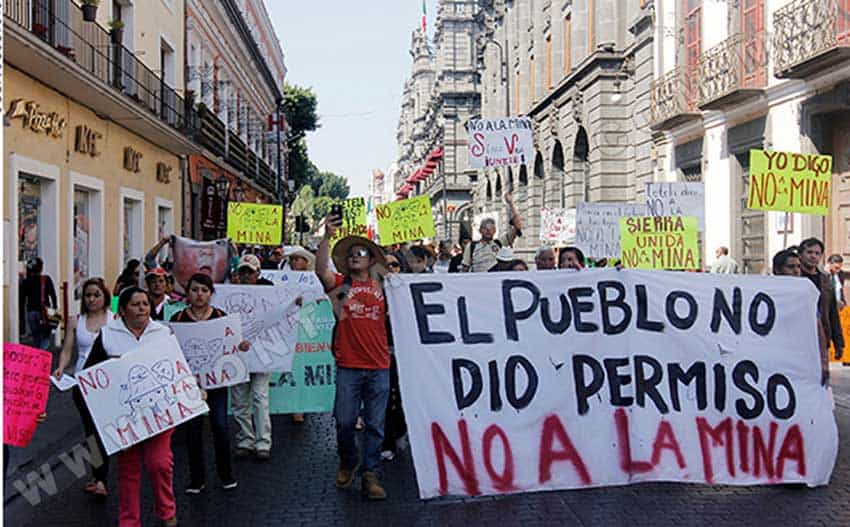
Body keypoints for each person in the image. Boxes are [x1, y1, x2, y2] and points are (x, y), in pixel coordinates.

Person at [83, 287, 178, 527]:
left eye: (145, 304)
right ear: (122, 310)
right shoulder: (107, 336)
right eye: (136, 305)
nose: (142, 309)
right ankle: (129, 520)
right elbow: (91, 375)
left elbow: (178, 367)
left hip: (158, 414)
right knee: (129, 469)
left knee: (160, 464)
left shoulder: (163, 332)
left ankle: (166, 510)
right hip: (124, 417)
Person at [316, 214, 391, 501]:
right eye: (350, 254)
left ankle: (370, 474)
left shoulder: (385, 286)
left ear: (372, 260)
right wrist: (326, 236)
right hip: (348, 365)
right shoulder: (340, 285)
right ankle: (348, 459)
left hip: (379, 366)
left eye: (361, 253)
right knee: (345, 422)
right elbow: (320, 269)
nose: (354, 257)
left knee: (375, 424)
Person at [171, 273, 246, 494]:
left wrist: (240, 346)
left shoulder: (222, 317)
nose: (199, 294)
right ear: (188, 293)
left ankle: (225, 474)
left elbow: (233, 343)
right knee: (193, 430)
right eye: (194, 290)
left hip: (217, 384)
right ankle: (197, 479)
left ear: (211, 294)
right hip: (191, 386)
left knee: (220, 427)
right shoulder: (177, 319)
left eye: (204, 290)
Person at [54, 277, 112, 499]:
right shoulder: (75, 321)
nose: (91, 299)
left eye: (96, 295)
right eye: (88, 295)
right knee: (91, 431)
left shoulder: (114, 319)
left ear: (104, 296)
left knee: (102, 429)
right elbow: (68, 349)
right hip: (82, 383)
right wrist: (61, 368)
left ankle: (100, 476)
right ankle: (100, 478)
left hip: (107, 382)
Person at [230, 254, 275, 460]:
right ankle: (245, 439)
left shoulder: (271, 292)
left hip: (261, 353)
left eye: (250, 271)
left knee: (259, 397)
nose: (246, 275)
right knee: (239, 400)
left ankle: (263, 441)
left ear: (258, 273)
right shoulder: (229, 292)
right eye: (243, 272)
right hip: (239, 353)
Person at [773, 249, 829, 385]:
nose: (796, 271)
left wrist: (823, 361)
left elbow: (818, 328)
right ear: (777, 270)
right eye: (791, 267)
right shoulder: (767, 293)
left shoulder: (806, 294)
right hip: (775, 357)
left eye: (798, 266)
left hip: (801, 357)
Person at [284, 246, 317, 424]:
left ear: (306, 261)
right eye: (292, 259)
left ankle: (302, 406)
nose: (294, 262)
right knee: (293, 366)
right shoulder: (285, 278)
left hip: (308, 327)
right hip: (289, 327)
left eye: (298, 259)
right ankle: (293, 405)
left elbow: (320, 298)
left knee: (305, 365)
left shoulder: (314, 279)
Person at [799, 238, 844, 361]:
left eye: (817, 253)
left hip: (821, 336)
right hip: (798, 337)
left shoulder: (825, 280)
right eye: (809, 252)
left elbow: (832, 312)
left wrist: (838, 343)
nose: (813, 256)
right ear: (801, 255)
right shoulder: (794, 277)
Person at [462, 192, 523, 272]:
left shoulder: (500, 242)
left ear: (495, 231)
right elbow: (465, 268)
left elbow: (518, 226)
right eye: (485, 228)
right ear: (480, 230)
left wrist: (510, 203)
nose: (488, 231)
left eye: (491, 229)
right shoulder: (471, 246)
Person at [20, 257, 57, 350]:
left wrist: (21, 319)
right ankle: (41, 353)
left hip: (31, 312)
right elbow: (53, 295)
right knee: (46, 336)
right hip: (44, 312)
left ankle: (37, 356)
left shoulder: (25, 282)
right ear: (41, 268)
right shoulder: (46, 279)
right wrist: (54, 309)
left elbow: (22, 300)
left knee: (36, 337)